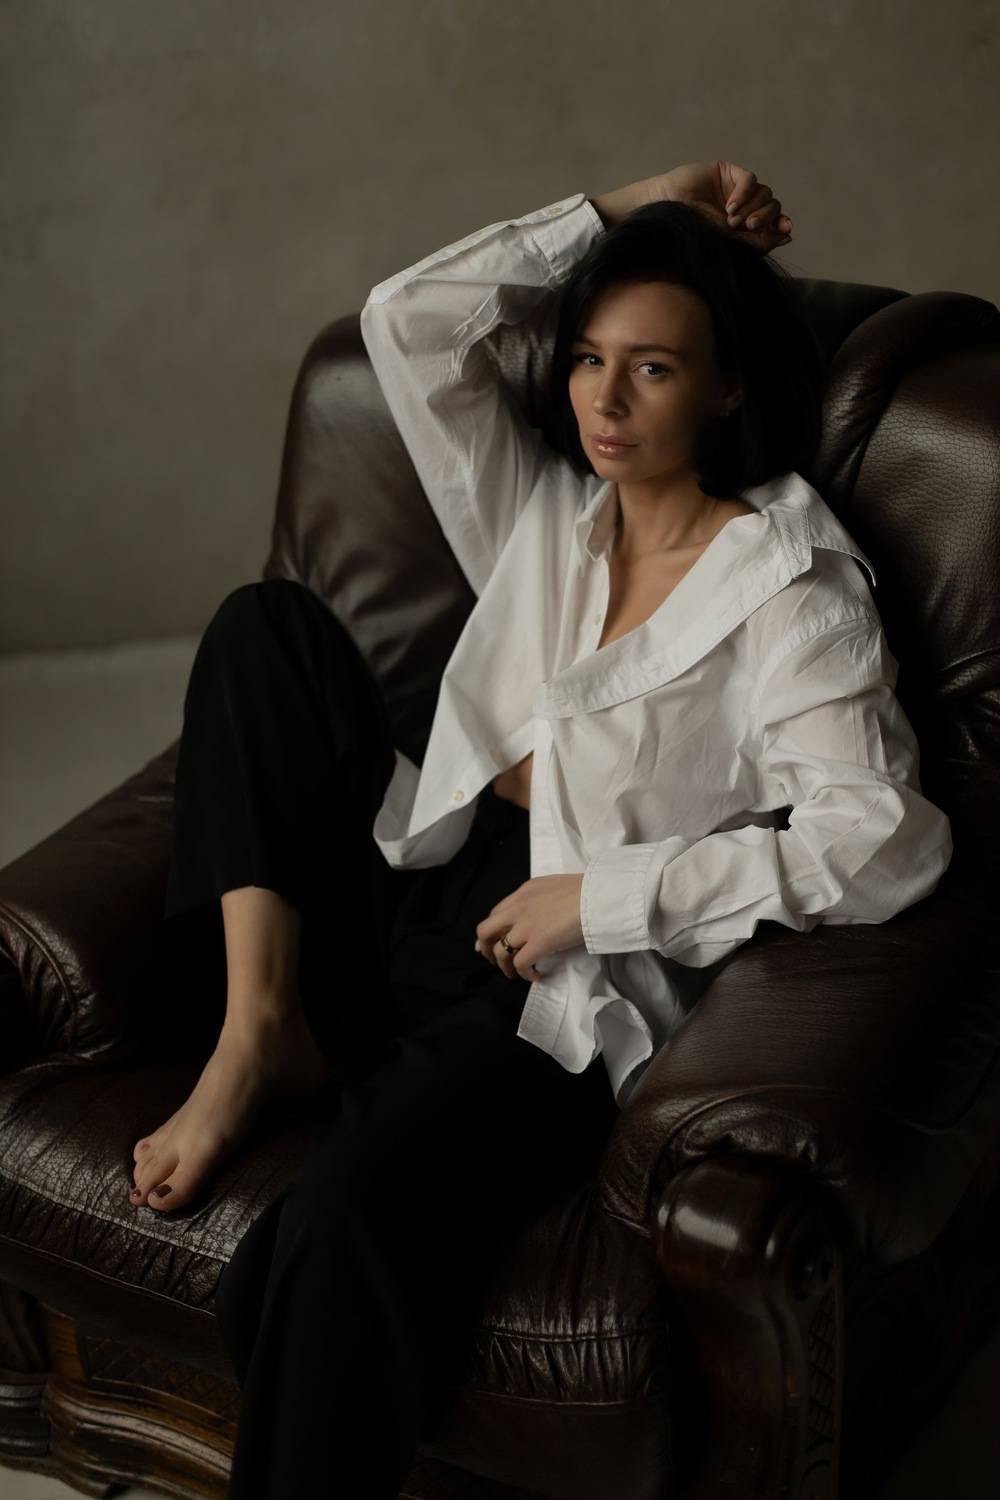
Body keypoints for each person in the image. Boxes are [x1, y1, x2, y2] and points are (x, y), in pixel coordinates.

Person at [126, 159, 953, 1496]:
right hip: (425, 885)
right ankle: (259, 1029)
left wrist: (609, 899)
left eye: (653, 370)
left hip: (552, 998)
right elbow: (411, 320)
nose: (603, 400)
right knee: (262, 634)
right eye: (587, 359)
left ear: (728, 387)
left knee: (330, 1228)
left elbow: (887, 837)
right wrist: (643, 205)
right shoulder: (548, 508)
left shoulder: (794, 590)